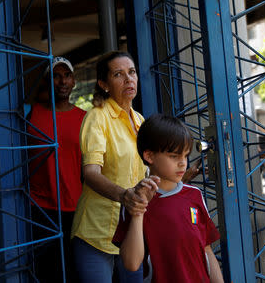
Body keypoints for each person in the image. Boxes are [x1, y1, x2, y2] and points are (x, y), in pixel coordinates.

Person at [70, 51, 200, 283]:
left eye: (131, 73)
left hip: (133, 230)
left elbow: (149, 174)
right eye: (118, 74)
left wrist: (179, 178)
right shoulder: (97, 117)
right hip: (96, 232)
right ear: (104, 84)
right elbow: (90, 173)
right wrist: (125, 195)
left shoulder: (141, 121)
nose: (128, 79)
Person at [113, 115, 224, 283]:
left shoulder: (194, 196)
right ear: (149, 156)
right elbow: (131, 264)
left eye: (185, 156)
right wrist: (138, 211)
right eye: (174, 156)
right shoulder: (134, 201)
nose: (182, 163)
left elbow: (206, 251)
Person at [27, 57, 86, 283]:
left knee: (73, 270)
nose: (62, 81)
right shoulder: (30, 114)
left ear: (73, 81)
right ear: (46, 81)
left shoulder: (85, 119)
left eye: (67, 75)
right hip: (39, 208)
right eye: (55, 75)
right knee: (45, 271)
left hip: (77, 207)